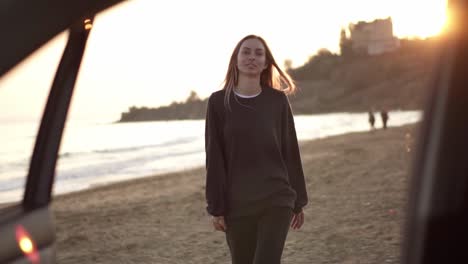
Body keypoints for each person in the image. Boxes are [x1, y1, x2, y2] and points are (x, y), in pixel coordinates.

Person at [204, 35, 308, 264]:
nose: (252, 57)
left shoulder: (277, 101)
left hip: (276, 199)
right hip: (237, 204)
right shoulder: (218, 103)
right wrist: (216, 206)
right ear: (236, 59)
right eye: (246, 52)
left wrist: (299, 199)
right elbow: (214, 157)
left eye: (258, 53)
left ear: (265, 63)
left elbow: (290, 150)